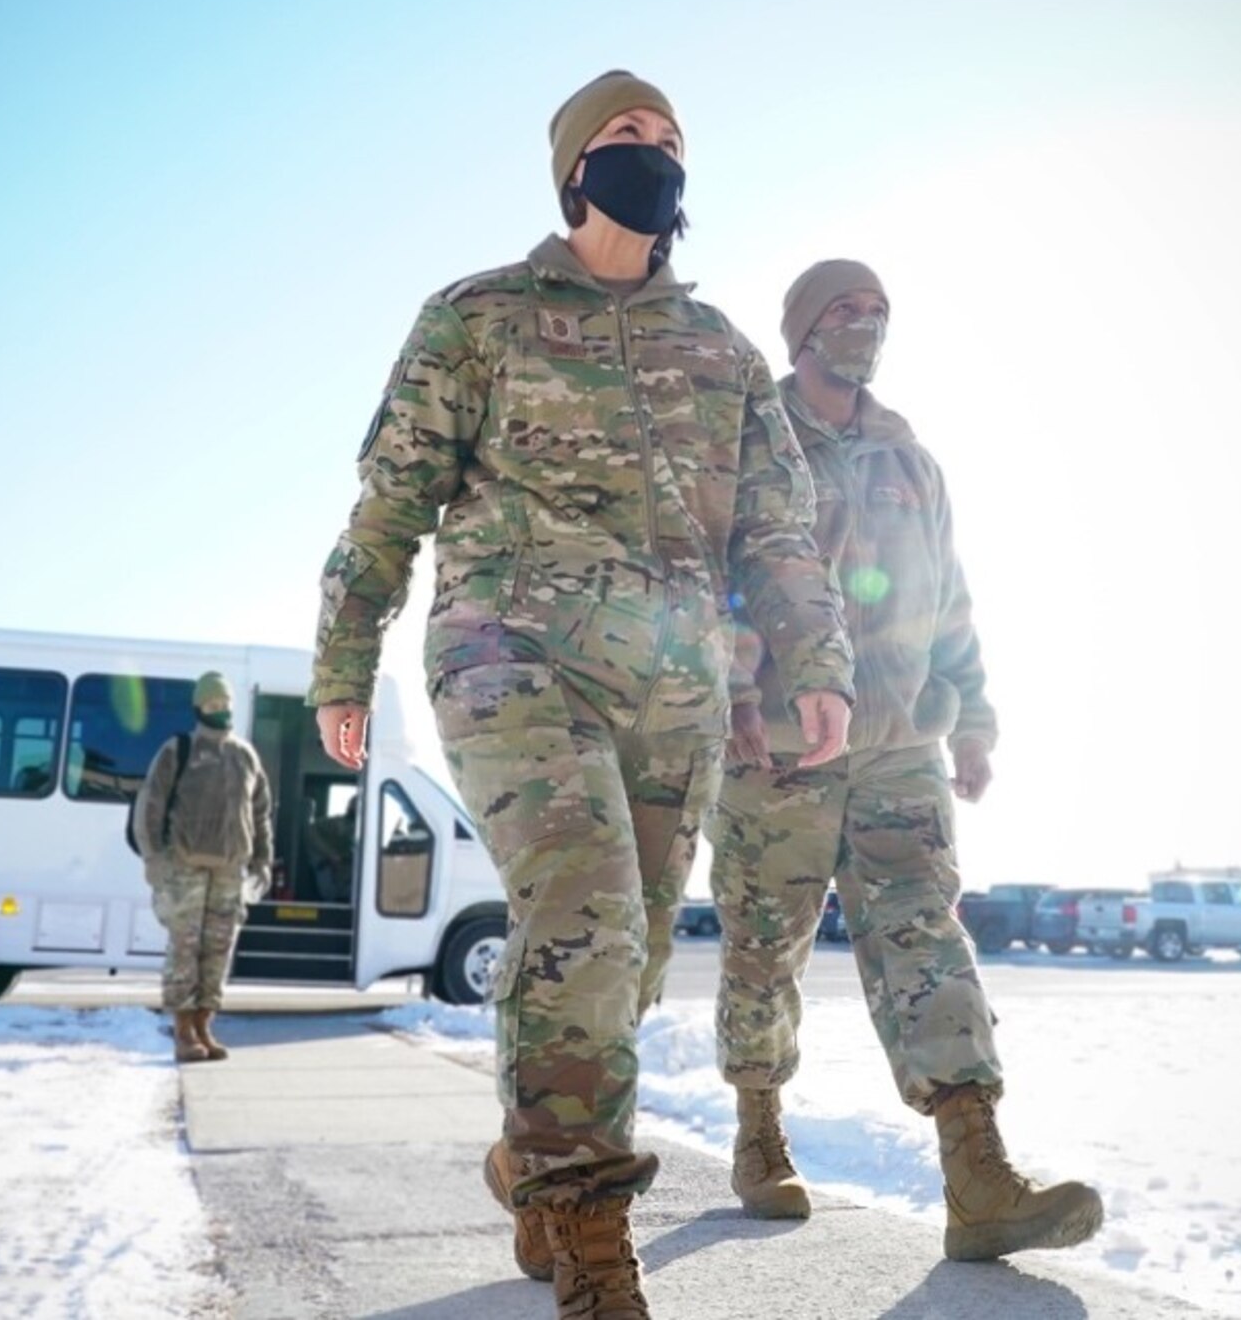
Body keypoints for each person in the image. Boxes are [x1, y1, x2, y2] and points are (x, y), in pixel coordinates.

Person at [309, 71, 854, 1320]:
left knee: (627, 954)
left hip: (673, 687)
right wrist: (344, 658)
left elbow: (778, 530)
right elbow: (391, 501)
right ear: (572, 169)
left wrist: (814, 665)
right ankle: (596, 1244)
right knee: (589, 910)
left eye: (668, 141)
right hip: (509, 651)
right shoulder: (477, 316)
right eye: (623, 137)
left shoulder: (722, 352)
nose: (650, 155)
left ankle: (532, 1155)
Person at [706, 261, 1103, 1261]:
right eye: (843, 308)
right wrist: (733, 687)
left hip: (899, 748)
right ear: (799, 329)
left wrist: (971, 716)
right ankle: (757, 1125)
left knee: (924, 937)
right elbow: (708, 576)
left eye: (876, 309)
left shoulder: (909, 461)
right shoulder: (752, 442)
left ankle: (976, 1171)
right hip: (781, 748)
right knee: (764, 946)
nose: (864, 322)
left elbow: (951, 599)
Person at [136, 671, 273, 1065]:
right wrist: (155, 860)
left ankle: (203, 1025)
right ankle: (183, 1031)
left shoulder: (245, 756)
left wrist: (262, 862)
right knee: (185, 949)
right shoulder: (178, 750)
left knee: (218, 951)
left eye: (225, 703)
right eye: (213, 704)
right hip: (185, 869)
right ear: (199, 707)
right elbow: (151, 808)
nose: (221, 709)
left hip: (231, 874)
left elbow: (260, 814)